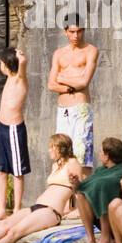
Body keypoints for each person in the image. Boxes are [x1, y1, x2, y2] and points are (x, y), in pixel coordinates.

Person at [0, 133, 84, 243]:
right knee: (6, 224)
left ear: (60, 148)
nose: (49, 150)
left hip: (51, 211)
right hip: (38, 206)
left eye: (52, 147)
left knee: (14, 232)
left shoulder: (73, 163)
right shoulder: (55, 166)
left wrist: (79, 210)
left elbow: (80, 189)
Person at [47, 23, 98, 172]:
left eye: (79, 31)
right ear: (66, 32)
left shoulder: (90, 50)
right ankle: (66, 193)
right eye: (72, 32)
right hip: (63, 109)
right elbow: (51, 84)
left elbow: (84, 82)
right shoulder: (59, 53)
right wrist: (70, 87)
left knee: (82, 153)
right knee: (61, 151)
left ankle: (82, 194)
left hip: (80, 107)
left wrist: (61, 78)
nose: (76, 36)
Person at [71, 136, 122, 243]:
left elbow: (100, 185)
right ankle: (91, 239)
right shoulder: (101, 170)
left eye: (101, 152)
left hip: (114, 214)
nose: (99, 154)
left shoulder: (120, 170)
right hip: (94, 214)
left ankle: (106, 238)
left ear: (107, 156)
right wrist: (76, 184)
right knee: (81, 195)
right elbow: (85, 186)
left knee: (103, 187)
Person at [0, 47, 30, 219]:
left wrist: (20, 56)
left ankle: (16, 208)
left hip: (14, 129)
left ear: (8, 65)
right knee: (1, 170)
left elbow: (22, 64)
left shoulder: (19, 80)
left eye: (2, 63)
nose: (0, 66)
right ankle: (1, 209)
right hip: (1, 127)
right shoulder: (9, 79)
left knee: (17, 172)